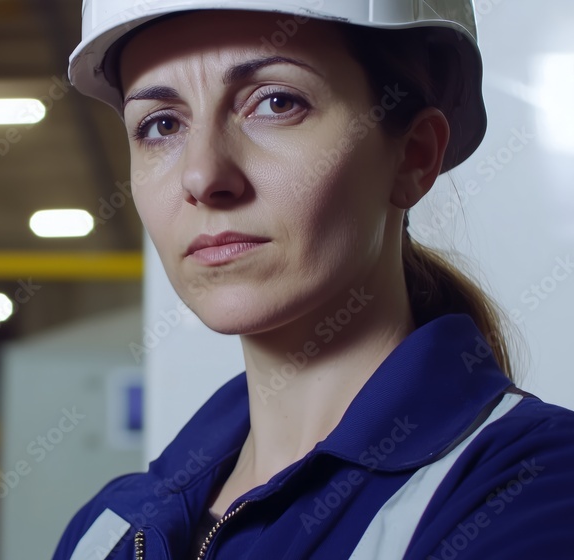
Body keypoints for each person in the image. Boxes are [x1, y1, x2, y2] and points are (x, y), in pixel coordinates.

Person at [53, 1, 574, 559]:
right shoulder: (106, 529)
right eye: (161, 125)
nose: (202, 175)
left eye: (276, 103)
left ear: (413, 158)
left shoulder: (533, 487)